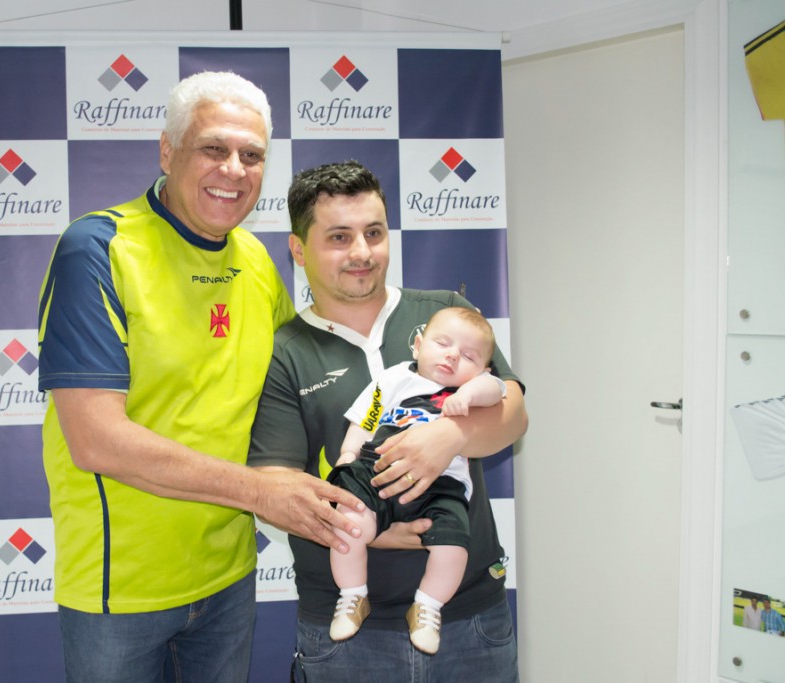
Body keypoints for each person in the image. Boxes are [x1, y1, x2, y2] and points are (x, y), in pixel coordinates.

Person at [37, 73, 364, 683]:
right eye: (214, 148)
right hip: (120, 590)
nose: (234, 170)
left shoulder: (256, 260)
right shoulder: (99, 247)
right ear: (168, 151)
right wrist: (263, 494)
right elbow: (96, 440)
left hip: (229, 579)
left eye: (252, 155)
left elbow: (300, 397)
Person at [249, 160, 528, 682]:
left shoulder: (445, 316)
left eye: (374, 233)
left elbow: (513, 415)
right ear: (298, 249)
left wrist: (449, 435)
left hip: (470, 618)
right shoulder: (285, 350)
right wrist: (366, 530)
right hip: (345, 633)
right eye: (339, 237)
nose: (362, 252)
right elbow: (274, 485)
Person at [329, 306, 506, 655]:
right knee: (348, 525)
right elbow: (367, 419)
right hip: (379, 469)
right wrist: (349, 454)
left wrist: (467, 395)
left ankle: (427, 606)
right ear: (418, 345)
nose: (452, 355)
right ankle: (353, 596)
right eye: (443, 343)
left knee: (453, 547)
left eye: (469, 356)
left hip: (442, 487)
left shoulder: (472, 388)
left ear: (481, 369)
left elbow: (495, 388)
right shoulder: (395, 378)